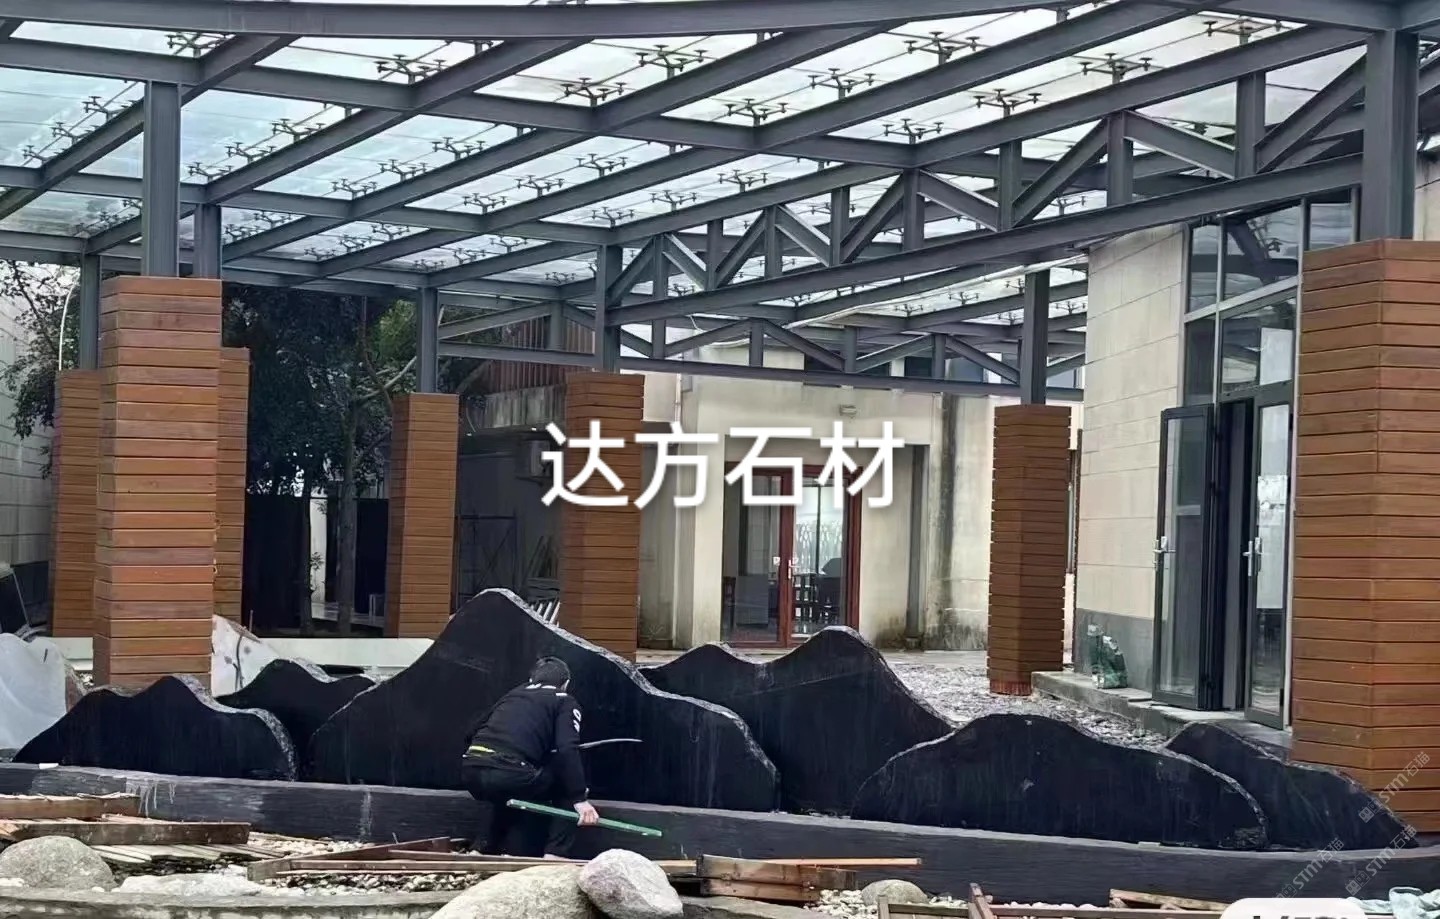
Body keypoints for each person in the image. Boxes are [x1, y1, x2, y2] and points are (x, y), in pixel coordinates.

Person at [461, 656, 601, 857]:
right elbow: (567, 749)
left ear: (531, 680)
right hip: (509, 773)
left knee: (502, 791)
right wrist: (579, 798)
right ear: (566, 684)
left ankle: (480, 849)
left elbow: (471, 732)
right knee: (565, 781)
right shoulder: (564, 700)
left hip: (471, 771)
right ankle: (555, 855)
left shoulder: (513, 695)